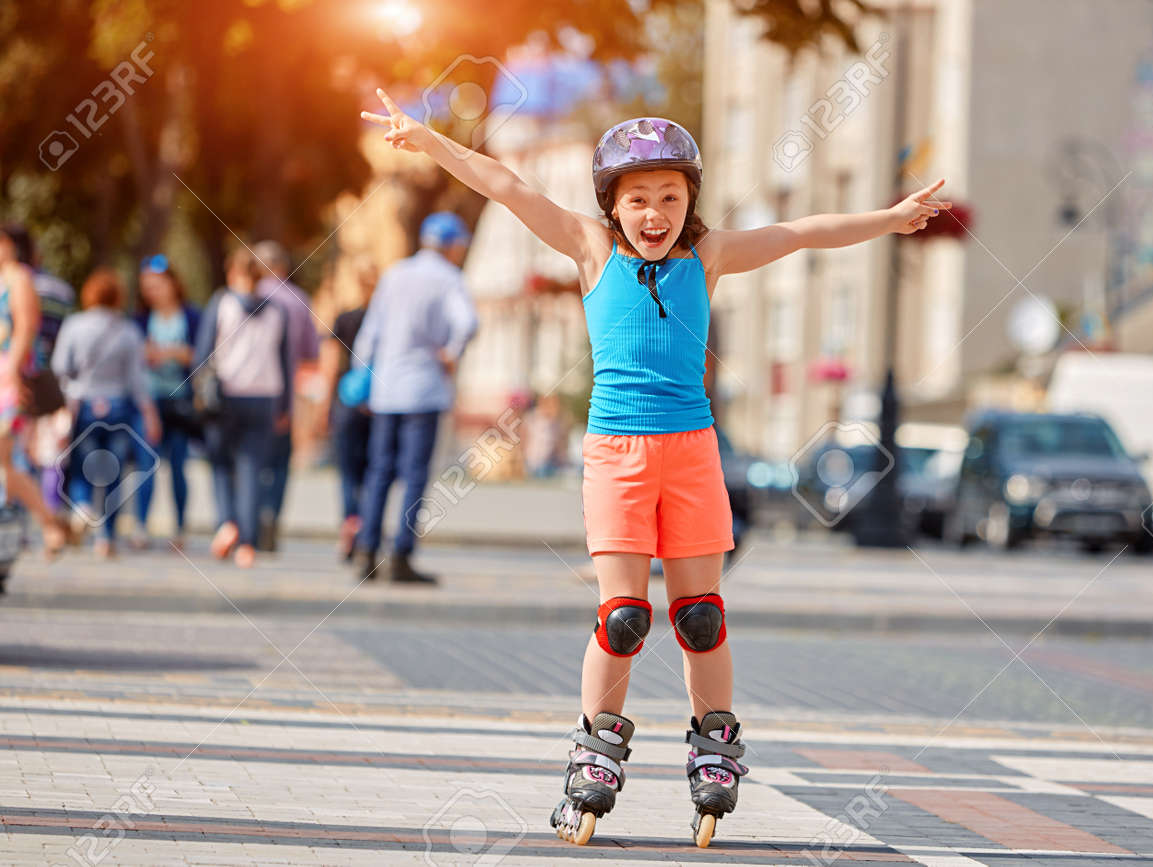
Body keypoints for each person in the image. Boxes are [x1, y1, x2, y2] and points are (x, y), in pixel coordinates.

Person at [362, 93, 949, 846]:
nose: (654, 213)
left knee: (700, 616)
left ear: (689, 201)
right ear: (613, 203)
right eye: (638, 198)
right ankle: (595, 753)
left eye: (670, 197)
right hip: (617, 454)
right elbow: (505, 184)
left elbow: (801, 232)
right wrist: (428, 139)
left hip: (693, 452)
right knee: (623, 618)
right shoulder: (589, 247)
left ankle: (714, 747)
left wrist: (889, 218)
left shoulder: (708, 255)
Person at [351, 213, 478, 585]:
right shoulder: (450, 278)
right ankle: (401, 555)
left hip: (385, 387)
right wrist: (451, 352)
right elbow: (468, 322)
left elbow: (369, 332)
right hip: (423, 389)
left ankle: (366, 551)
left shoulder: (395, 274)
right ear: (451, 245)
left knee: (379, 472)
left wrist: (363, 376)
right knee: (414, 475)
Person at [50, 268, 161, 558]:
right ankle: (106, 538)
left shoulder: (75, 325)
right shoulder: (129, 331)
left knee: (81, 465)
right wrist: (149, 412)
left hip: (83, 405)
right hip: (119, 408)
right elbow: (136, 380)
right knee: (113, 472)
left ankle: (83, 504)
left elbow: (61, 366)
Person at [193, 247, 291, 569]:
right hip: (264, 397)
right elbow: (285, 362)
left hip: (226, 396)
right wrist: (285, 405)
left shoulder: (222, 303)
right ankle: (247, 543)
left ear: (233, 272)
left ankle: (227, 523)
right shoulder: (277, 311)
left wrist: (196, 390)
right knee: (251, 468)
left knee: (221, 464)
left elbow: (204, 352)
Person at [0, 224, 73, 557]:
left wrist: (13, 374)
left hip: (10, 383)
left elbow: (26, 328)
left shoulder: (20, 280)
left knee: (4, 463)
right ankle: (46, 521)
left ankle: (47, 521)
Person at [252, 240, 320, 552]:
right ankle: (271, 518)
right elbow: (310, 354)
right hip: (285, 397)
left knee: (250, 460)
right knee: (279, 464)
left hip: (248, 394)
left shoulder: (248, 296)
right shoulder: (298, 299)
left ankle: (248, 519)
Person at [132, 254, 202, 549]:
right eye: (147, 286)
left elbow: (201, 354)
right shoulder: (139, 319)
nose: (153, 291)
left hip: (181, 401)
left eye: (158, 284)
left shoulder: (191, 316)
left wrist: (173, 353)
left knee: (178, 465)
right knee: (145, 464)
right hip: (149, 402)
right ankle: (140, 526)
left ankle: (180, 527)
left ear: (172, 283)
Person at [316, 255, 378, 561]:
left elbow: (329, 366)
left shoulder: (345, 318)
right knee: (373, 473)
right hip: (380, 406)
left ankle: (348, 525)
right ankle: (367, 529)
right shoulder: (386, 319)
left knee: (347, 473)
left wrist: (324, 407)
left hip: (347, 401)